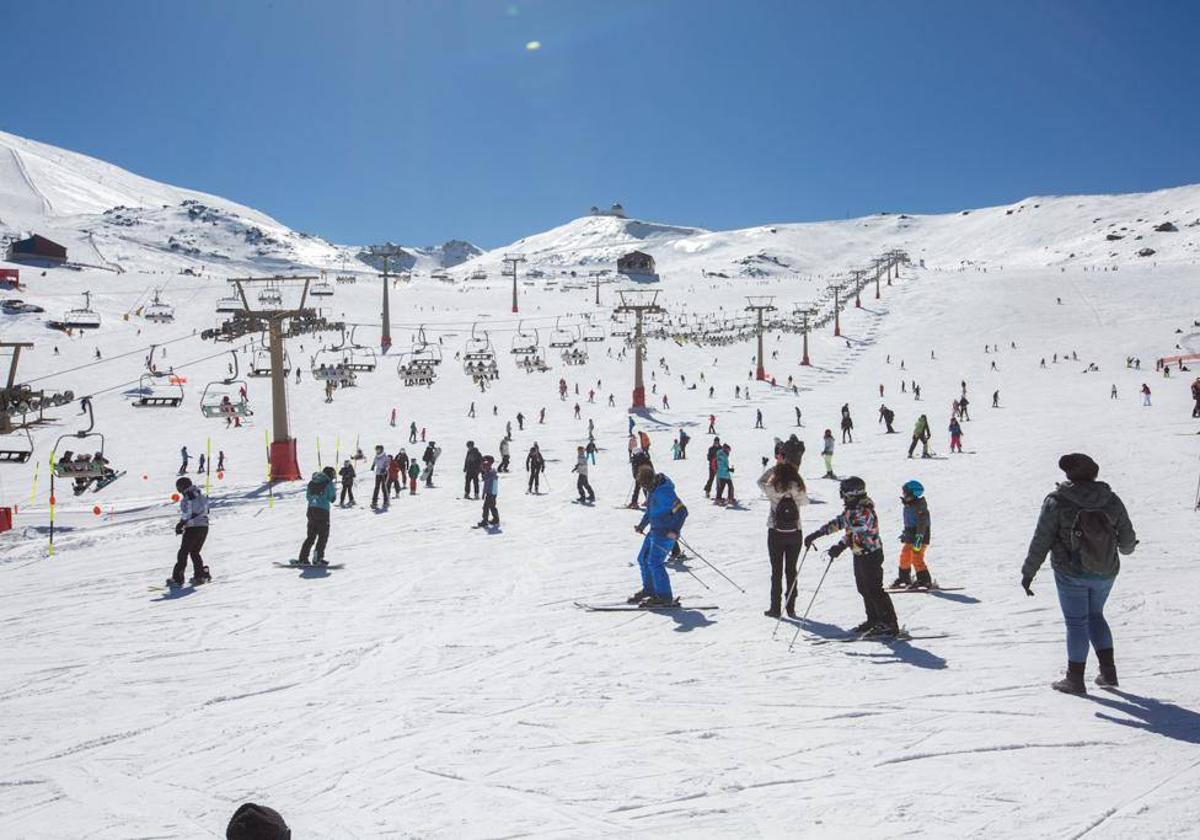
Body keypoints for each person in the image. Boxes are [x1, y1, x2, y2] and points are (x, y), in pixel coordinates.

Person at [1021, 453, 1137, 694]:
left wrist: (1028, 572)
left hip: (1070, 571)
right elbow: (1126, 541)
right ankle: (1108, 672)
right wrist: (1125, 549)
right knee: (1096, 614)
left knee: (1076, 623)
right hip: (1106, 570)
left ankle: (1075, 679)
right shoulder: (1111, 499)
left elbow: (1041, 539)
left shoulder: (1057, 501)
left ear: (1069, 474)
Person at [804, 477, 900, 637]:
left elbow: (854, 531)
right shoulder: (852, 508)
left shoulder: (864, 510)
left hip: (871, 554)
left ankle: (889, 623)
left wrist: (839, 547)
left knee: (875, 589)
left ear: (853, 493)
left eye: (844, 493)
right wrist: (817, 534)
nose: (842, 496)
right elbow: (840, 522)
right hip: (860, 553)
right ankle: (874, 619)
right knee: (863, 589)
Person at [628, 472, 689, 607]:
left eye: (645, 485)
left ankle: (664, 596)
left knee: (655, 562)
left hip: (665, 533)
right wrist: (642, 525)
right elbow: (650, 511)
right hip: (654, 531)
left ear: (650, 481)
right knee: (642, 559)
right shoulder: (652, 490)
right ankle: (650, 590)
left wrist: (674, 530)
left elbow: (682, 511)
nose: (644, 488)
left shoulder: (664, 492)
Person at [757, 457, 809, 617]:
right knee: (791, 570)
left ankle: (775, 607)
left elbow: (760, 482)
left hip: (776, 531)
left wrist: (775, 468)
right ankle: (791, 606)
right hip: (795, 532)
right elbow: (805, 502)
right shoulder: (798, 488)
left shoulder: (773, 487)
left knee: (776, 571)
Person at [892, 480, 932, 589]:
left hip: (920, 536)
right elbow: (910, 523)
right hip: (911, 537)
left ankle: (924, 580)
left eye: (905, 492)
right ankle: (904, 578)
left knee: (916, 557)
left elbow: (922, 523)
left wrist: (919, 537)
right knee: (905, 556)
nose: (904, 494)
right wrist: (906, 534)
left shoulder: (920, 507)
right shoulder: (909, 505)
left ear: (912, 493)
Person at [171, 477, 210, 587]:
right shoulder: (201, 495)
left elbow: (187, 513)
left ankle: (177, 578)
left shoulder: (187, 497)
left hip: (193, 528)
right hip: (204, 527)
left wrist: (181, 524)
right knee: (195, 552)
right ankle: (200, 575)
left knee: (183, 552)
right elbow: (207, 509)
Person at [298, 466, 337, 566]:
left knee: (311, 536)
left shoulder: (312, 482)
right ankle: (318, 558)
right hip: (322, 511)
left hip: (311, 510)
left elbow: (308, 497)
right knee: (323, 535)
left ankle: (303, 558)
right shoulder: (328, 483)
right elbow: (332, 498)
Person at [478, 455, 500, 527]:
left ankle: (485, 520)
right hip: (493, 493)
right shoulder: (491, 473)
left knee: (486, 507)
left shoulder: (489, 474)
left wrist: (484, 493)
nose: (483, 469)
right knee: (492, 506)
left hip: (490, 493)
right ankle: (496, 519)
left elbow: (486, 485)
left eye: (484, 468)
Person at [371, 445, 390, 509]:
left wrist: (384, 468)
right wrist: (373, 466)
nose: (377, 451)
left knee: (383, 487)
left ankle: (386, 501)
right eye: (376, 450)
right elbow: (374, 461)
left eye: (378, 450)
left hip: (384, 473)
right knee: (376, 487)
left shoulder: (385, 457)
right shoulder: (376, 456)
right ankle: (374, 502)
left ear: (381, 450)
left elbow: (387, 464)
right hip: (378, 473)